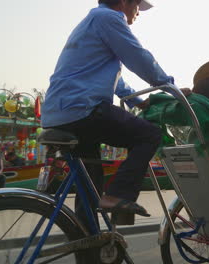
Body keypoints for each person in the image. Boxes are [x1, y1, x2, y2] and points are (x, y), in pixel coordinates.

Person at [41, 0, 176, 224]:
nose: (138, 13)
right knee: (150, 134)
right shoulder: (109, 18)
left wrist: (138, 102)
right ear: (124, 2)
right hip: (82, 109)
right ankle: (119, 196)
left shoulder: (93, 21)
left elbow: (115, 79)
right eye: (137, 6)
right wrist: (168, 86)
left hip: (61, 112)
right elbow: (137, 56)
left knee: (89, 187)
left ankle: (87, 244)